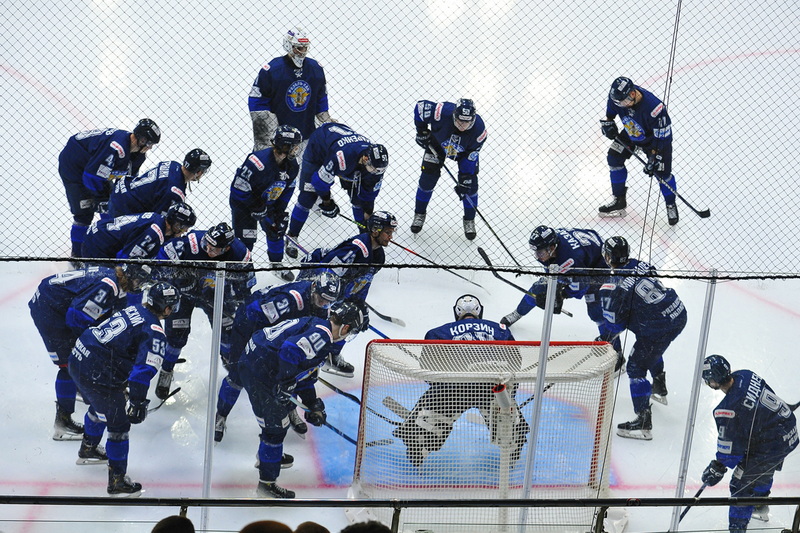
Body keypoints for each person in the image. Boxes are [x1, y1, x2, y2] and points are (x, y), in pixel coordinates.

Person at [238, 300, 366, 498]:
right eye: (351, 331)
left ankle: (266, 457)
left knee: (279, 415)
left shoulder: (319, 326)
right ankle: (266, 484)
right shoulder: (323, 336)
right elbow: (290, 350)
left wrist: (311, 403)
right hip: (259, 372)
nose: (349, 335)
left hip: (256, 360)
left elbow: (304, 371)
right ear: (346, 327)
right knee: (276, 428)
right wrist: (286, 381)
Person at [68, 281, 180, 496]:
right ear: (167, 308)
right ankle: (117, 481)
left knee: (101, 407)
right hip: (97, 372)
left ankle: (88, 448)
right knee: (119, 425)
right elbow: (142, 373)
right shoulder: (155, 332)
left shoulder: (135, 307)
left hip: (79, 358)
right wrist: (137, 402)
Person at [392, 295, 527, 468]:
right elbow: (515, 363)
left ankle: (417, 450)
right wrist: (508, 396)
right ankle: (512, 453)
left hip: (454, 388)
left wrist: (438, 390)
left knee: (423, 426)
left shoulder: (439, 332)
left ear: (457, 313)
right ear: (480, 311)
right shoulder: (500, 329)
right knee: (511, 425)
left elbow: (428, 369)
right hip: (493, 386)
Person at [214, 271, 341, 443]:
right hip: (249, 325)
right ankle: (221, 415)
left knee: (291, 370)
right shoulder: (291, 299)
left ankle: (290, 410)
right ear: (314, 288)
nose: (324, 304)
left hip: (278, 333)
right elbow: (255, 315)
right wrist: (255, 348)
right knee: (237, 376)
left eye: (328, 302)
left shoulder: (322, 308)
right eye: (322, 299)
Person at [28, 263, 152, 440]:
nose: (139, 287)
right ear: (129, 277)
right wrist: (92, 344)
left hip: (56, 302)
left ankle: (79, 386)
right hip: (49, 308)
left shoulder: (117, 283)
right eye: (138, 281)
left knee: (79, 357)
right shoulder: (108, 286)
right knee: (69, 363)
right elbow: (76, 318)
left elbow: (114, 316)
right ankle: (63, 421)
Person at [599, 236, 687, 440]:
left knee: (636, 368)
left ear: (608, 257)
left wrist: (606, 338)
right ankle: (659, 385)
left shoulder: (613, 288)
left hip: (658, 325)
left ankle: (643, 421)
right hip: (678, 312)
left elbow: (615, 326)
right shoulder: (643, 264)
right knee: (649, 346)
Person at [153, 222, 254, 399]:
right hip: (183, 294)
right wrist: (176, 279)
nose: (208, 250)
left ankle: (230, 362)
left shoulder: (241, 255)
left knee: (228, 335)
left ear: (226, 248)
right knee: (176, 336)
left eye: (214, 249)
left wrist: (233, 299)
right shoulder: (191, 243)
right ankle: (167, 369)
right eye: (206, 245)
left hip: (217, 295)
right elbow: (160, 260)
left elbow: (245, 287)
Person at [700, 354, 798, 532]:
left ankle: (737, 528)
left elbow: (730, 451)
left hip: (772, 442)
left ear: (713, 381)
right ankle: (760, 504)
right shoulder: (746, 374)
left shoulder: (726, 410)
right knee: (764, 468)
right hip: (787, 429)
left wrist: (717, 467)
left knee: (740, 485)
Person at [296, 211, 396, 376]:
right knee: (310, 320)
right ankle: (301, 353)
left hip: (337, 288)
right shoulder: (355, 249)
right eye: (387, 232)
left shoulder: (378, 255)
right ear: (375, 230)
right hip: (313, 281)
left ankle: (331, 354)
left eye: (391, 232)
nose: (390, 237)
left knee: (353, 317)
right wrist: (328, 304)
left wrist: (358, 304)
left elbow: (364, 281)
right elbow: (324, 275)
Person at [59, 118, 161, 257]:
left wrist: (112, 200)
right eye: (149, 143)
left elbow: (127, 180)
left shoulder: (138, 155)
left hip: (94, 168)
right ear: (141, 140)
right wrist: (101, 199)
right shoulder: (115, 147)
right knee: (84, 215)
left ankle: (103, 249)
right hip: (74, 165)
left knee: (110, 212)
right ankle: (77, 256)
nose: (150, 148)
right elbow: (91, 177)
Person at [284, 123, 388, 258]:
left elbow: (368, 195)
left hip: (344, 154)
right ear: (365, 159)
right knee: (307, 197)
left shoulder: (376, 165)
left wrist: (368, 219)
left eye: (379, 171)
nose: (376, 173)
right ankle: (292, 237)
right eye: (374, 169)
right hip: (319, 149)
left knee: (358, 201)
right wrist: (327, 202)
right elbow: (319, 181)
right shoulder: (342, 157)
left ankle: (365, 241)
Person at [500, 226, 616, 343]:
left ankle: (613, 346)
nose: (537, 256)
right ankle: (517, 313)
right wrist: (552, 288)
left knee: (596, 312)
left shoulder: (571, 258)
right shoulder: (552, 247)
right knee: (539, 288)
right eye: (536, 251)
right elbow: (552, 270)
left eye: (540, 252)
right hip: (582, 256)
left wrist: (561, 294)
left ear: (552, 247)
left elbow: (582, 285)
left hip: (598, 268)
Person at [599, 76, 679, 225]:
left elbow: (662, 138)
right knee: (614, 158)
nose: (621, 105)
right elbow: (610, 115)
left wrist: (654, 159)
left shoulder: (655, 109)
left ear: (633, 94)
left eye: (624, 102)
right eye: (618, 103)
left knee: (662, 174)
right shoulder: (616, 97)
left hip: (656, 142)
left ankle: (670, 203)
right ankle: (619, 199)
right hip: (632, 131)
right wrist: (608, 125)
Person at [230, 125, 303, 281]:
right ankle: (240, 270)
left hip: (269, 203)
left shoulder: (293, 165)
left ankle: (276, 264)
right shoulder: (257, 162)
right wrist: (255, 206)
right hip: (244, 206)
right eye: (294, 146)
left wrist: (279, 211)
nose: (296, 150)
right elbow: (238, 189)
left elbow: (288, 189)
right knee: (247, 238)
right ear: (284, 146)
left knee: (276, 230)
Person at [410, 98, 487, 240]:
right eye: (459, 121)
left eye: (466, 122)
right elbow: (420, 107)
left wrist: (465, 178)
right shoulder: (441, 112)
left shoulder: (479, 130)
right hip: (437, 145)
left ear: (473, 119)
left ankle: (469, 219)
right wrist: (421, 130)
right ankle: (419, 213)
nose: (462, 125)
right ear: (453, 115)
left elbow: (470, 156)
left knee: (470, 186)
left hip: (463, 154)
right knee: (427, 179)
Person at [248, 27, 331, 152]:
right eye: (298, 48)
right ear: (288, 46)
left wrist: (324, 117)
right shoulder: (273, 70)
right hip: (278, 138)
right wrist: (268, 130)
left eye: (305, 47)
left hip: (306, 133)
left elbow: (321, 97)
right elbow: (257, 100)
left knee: (304, 168)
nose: (302, 52)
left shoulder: (315, 69)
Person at [108, 149, 212, 218]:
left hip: (121, 189)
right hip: (123, 209)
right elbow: (157, 220)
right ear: (198, 172)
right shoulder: (175, 193)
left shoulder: (173, 164)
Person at [81, 203, 196, 261]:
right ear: (176, 224)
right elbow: (124, 259)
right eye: (184, 226)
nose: (185, 230)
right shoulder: (154, 234)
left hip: (98, 232)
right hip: (97, 246)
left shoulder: (157, 218)